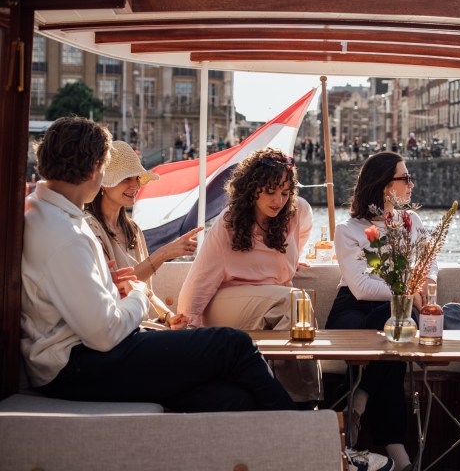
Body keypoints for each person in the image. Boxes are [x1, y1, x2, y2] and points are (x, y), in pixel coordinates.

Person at [22, 116, 295, 412]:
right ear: (94, 170)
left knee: (232, 398)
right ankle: (302, 430)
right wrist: (137, 294)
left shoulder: (47, 217)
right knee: (233, 345)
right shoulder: (65, 233)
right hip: (79, 365)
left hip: (76, 362)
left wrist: (110, 288)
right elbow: (104, 333)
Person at [326, 151, 460, 471]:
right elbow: (362, 287)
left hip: (398, 307)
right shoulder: (351, 229)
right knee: (395, 329)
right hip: (353, 309)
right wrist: (409, 291)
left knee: (395, 330)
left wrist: (423, 287)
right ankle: (398, 451)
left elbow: (429, 262)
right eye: (405, 178)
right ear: (382, 184)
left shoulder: (410, 221)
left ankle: (357, 401)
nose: (411, 184)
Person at [177, 147, 322, 408]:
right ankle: (298, 403)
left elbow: (302, 234)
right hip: (225, 303)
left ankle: (288, 396)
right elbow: (201, 277)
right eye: (270, 191)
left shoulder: (297, 211)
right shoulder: (229, 223)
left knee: (292, 305)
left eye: (284, 192)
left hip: (275, 300)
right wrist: (187, 326)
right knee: (294, 302)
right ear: (252, 189)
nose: (278, 199)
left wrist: (292, 260)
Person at [85, 140, 203, 328]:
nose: (135, 185)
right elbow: (116, 286)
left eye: (137, 178)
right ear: (104, 184)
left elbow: (146, 292)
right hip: (120, 328)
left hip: (143, 325)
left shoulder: (133, 230)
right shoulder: (90, 227)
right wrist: (165, 253)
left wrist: (169, 317)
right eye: (126, 179)